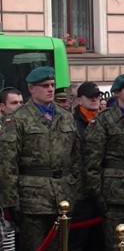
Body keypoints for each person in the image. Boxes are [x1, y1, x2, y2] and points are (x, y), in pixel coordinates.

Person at [0, 66, 82, 251]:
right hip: (32, 198)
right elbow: (7, 163)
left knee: (62, 246)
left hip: (63, 195)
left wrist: (75, 190)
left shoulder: (66, 117)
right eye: (44, 85)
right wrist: (11, 202)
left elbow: (76, 157)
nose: (50, 89)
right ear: (31, 89)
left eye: (52, 85)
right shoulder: (17, 119)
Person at [84, 73, 124, 250]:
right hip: (115, 190)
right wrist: (96, 192)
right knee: (116, 242)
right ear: (117, 93)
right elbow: (92, 159)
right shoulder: (104, 119)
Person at [70, 81, 105, 251]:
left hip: (104, 190)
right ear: (79, 100)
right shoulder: (70, 123)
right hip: (81, 193)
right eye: (90, 97)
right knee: (79, 241)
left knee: (100, 240)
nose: (95, 99)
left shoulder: (105, 121)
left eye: (97, 96)